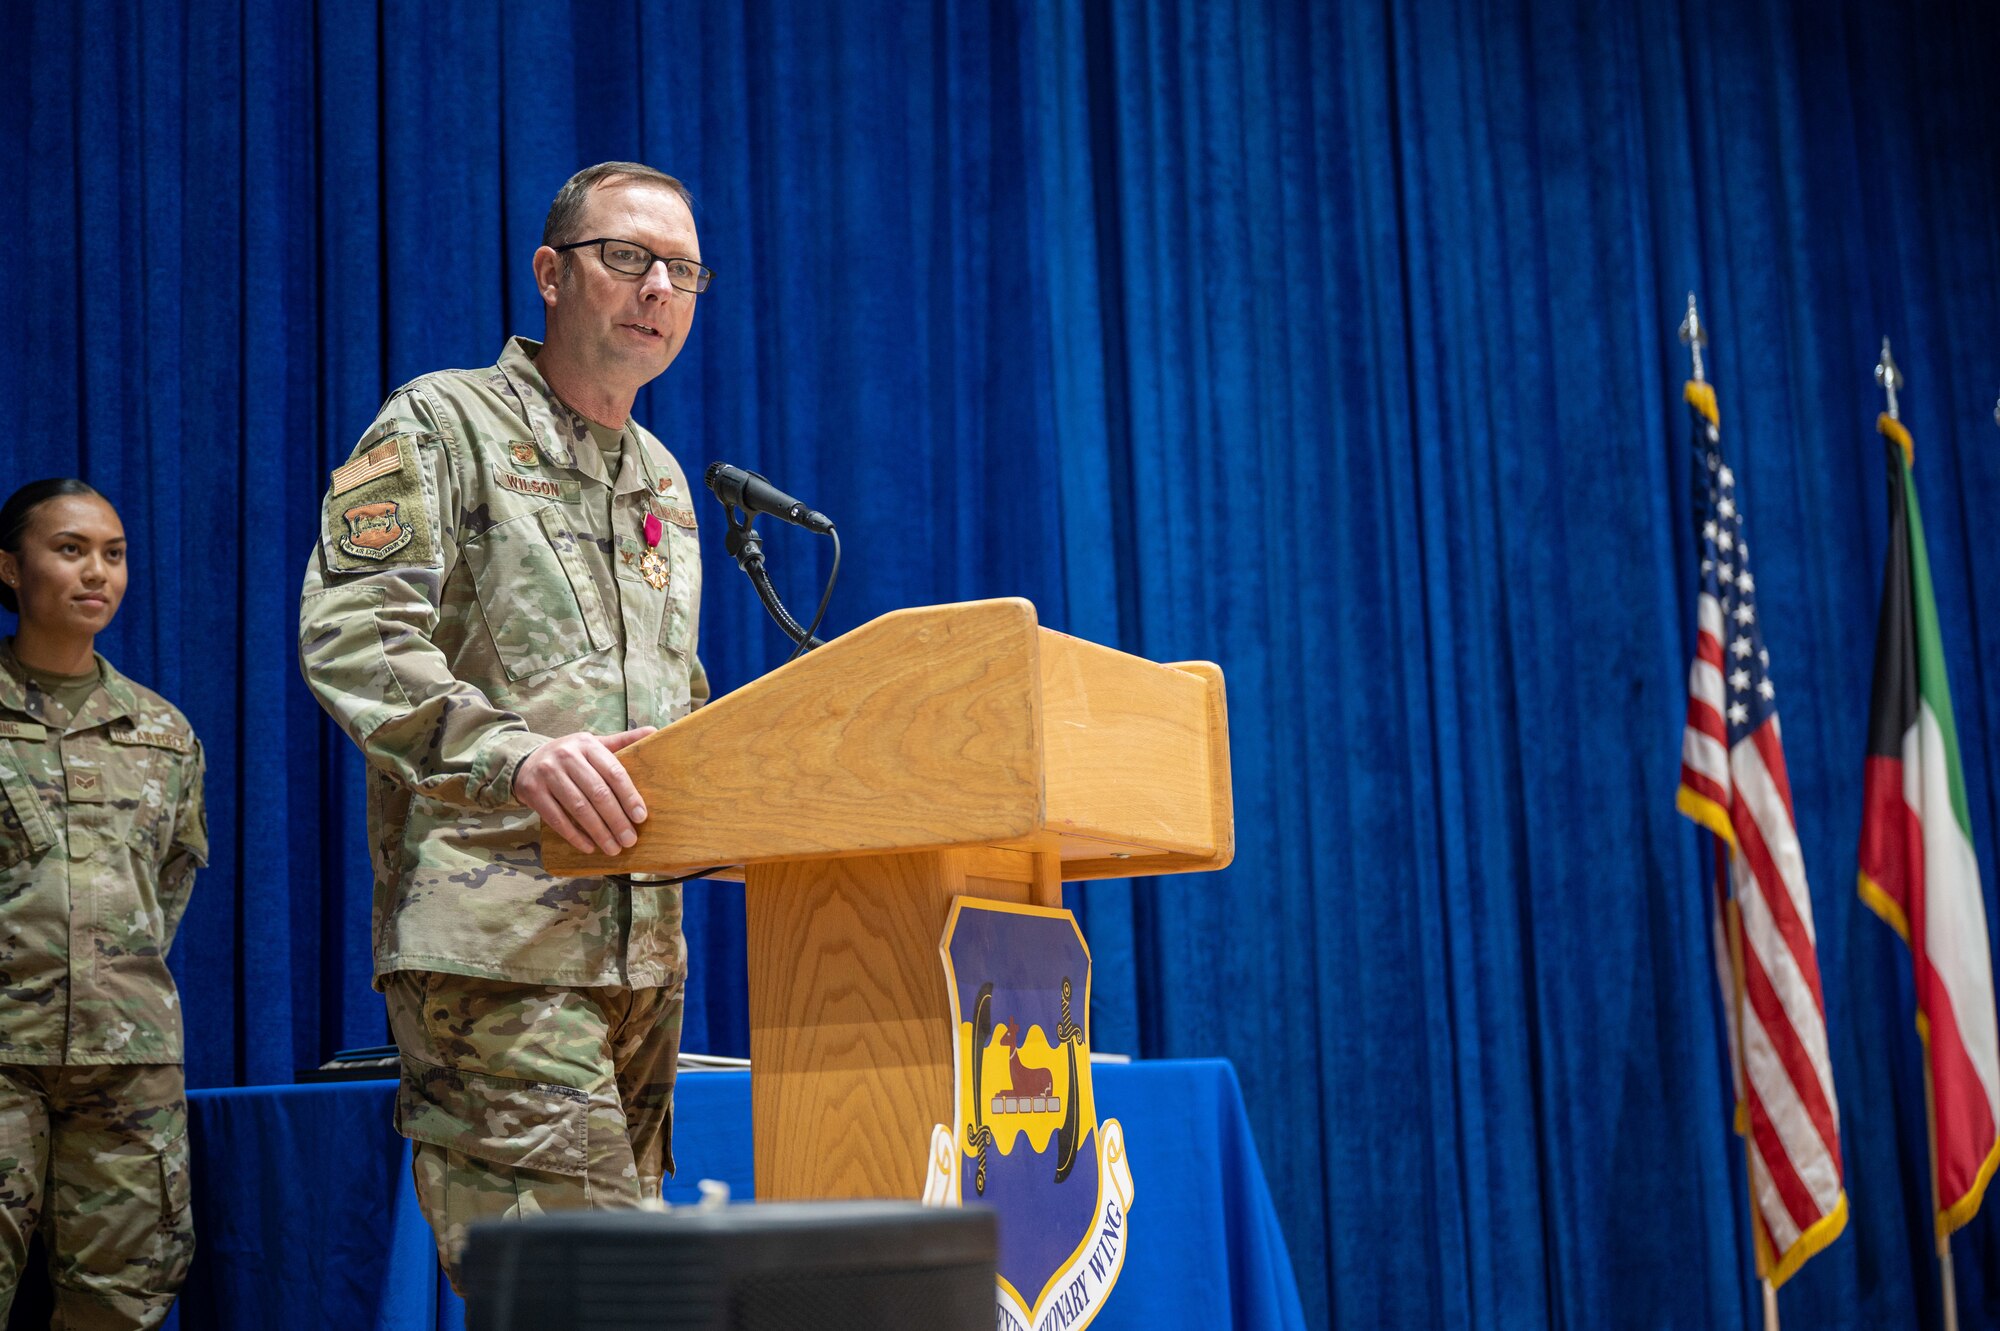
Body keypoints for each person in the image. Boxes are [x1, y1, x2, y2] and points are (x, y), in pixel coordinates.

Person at [297, 161, 712, 1287]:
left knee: (607, 1291)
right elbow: (355, 635)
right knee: (596, 1298)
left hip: (641, 961)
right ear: (550, 273)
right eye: (625, 257)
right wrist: (514, 753)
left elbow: (673, 695)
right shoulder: (444, 421)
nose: (656, 288)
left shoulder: (666, 481)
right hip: (498, 949)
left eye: (680, 270)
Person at [0, 479, 208, 1329]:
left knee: (122, 1304)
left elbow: (169, 884)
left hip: (129, 1064)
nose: (98, 573)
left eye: (114, 554)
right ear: (11, 568)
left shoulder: (163, 731)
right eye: (70, 549)